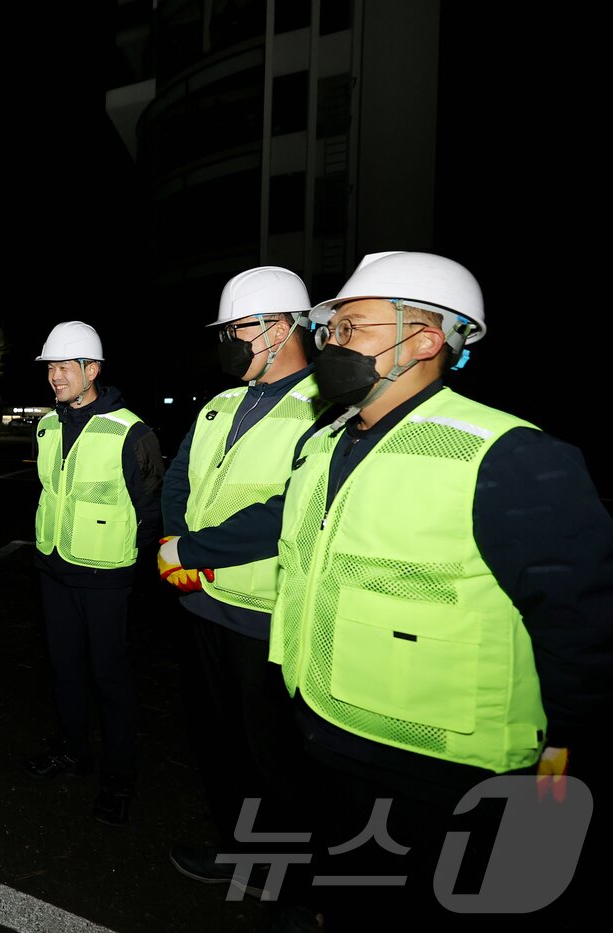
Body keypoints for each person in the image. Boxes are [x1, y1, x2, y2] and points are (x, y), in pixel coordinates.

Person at [163, 252, 613, 926]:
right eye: (331, 332)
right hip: (331, 724)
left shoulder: (511, 457)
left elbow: (578, 622)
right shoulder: (330, 444)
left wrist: (567, 740)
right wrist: (188, 549)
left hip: (442, 764)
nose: (332, 344)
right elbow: (290, 534)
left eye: (353, 329)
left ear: (426, 340)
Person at [158, 268, 328, 897]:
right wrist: (175, 546)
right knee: (219, 745)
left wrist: (194, 548)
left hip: (265, 615)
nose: (228, 341)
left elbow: (292, 506)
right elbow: (180, 478)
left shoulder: (325, 408)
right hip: (201, 602)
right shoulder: (219, 404)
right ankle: (239, 856)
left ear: (281, 328)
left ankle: (288, 881)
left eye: (238, 329)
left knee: (272, 756)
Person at [21, 321, 163, 826]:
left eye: (65, 367)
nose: (55, 377)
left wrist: (128, 565)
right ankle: (75, 753)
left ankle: (119, 779)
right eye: (51, 367)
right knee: (63, 669)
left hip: (105, 576)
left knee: (110, 678)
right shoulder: (46, 426)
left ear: (92, 371)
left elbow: (151, 511)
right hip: (53, 567)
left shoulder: (132, 431)